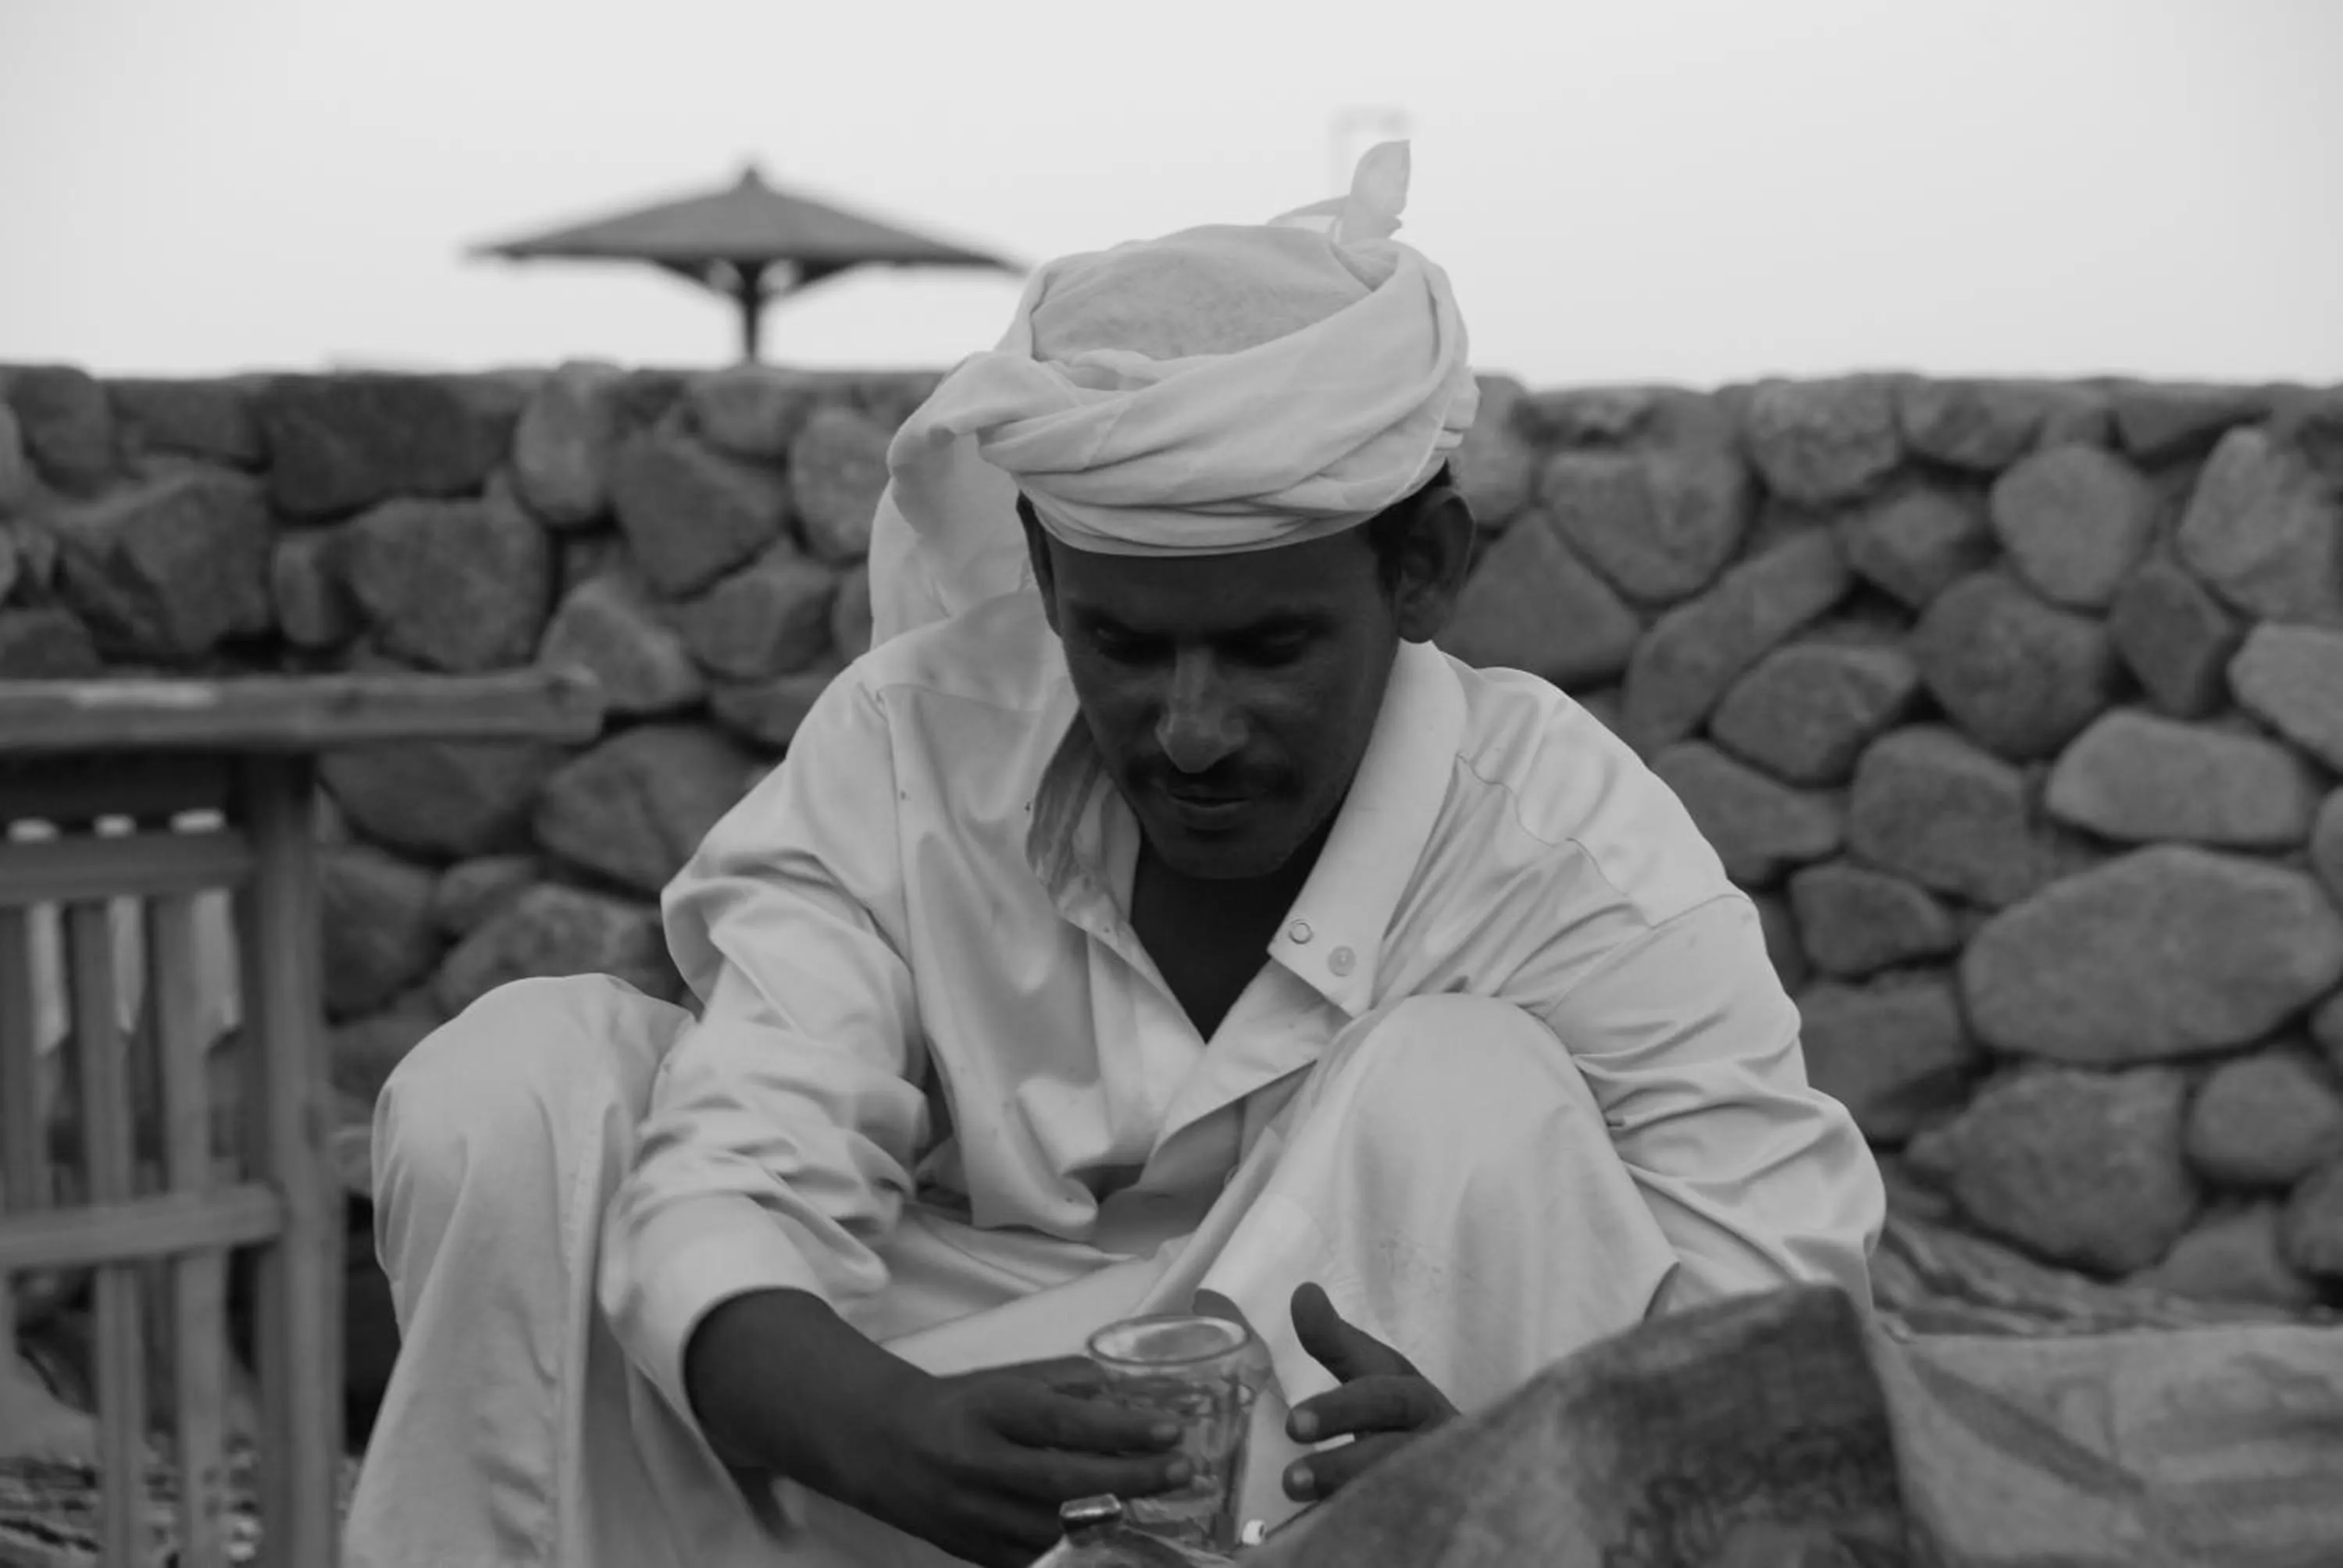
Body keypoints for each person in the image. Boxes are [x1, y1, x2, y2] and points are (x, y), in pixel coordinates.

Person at [344, 143, 1884, 1568]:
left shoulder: (1569, 850)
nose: (1194, 727)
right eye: (1127, 645)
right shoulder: (908, 748)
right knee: (525, 1076)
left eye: (1268, 645)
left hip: (1345, 1503)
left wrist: (1522, 1475)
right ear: (1042, 576)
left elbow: (1785, 1341)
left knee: (1463, 1082)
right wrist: (885, 1428)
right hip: (911, 1431)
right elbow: (738, 1167)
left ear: (1421, 571)